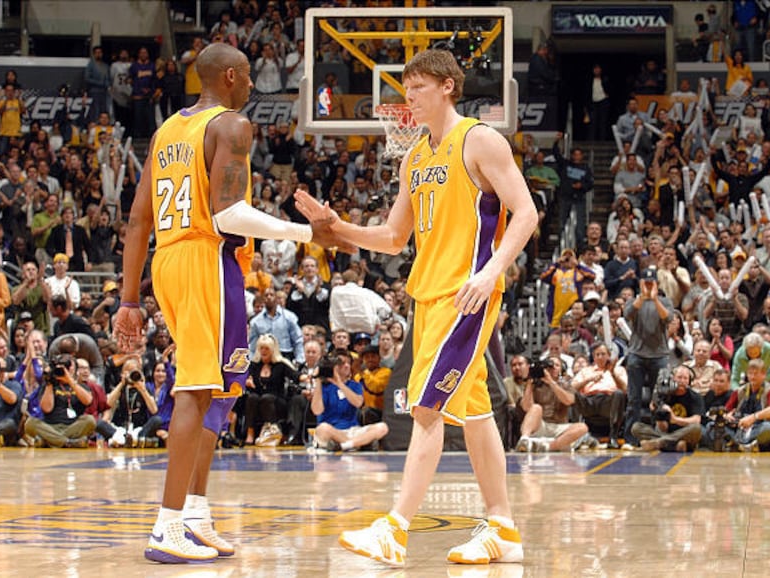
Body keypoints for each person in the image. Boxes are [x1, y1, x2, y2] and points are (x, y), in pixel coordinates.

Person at [295, 48, 538, 567]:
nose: (409, 99)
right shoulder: (415, 156)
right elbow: (391, 236)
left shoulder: (478, 140)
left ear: (448, 85)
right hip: (426, 296)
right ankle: (503, 530)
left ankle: (394, 529)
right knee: (474, 413)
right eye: (405, 91)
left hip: (466, 295)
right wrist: (336, 229)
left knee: (425, 408)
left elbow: (526, 212)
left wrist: (491, 271)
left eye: (419, 89)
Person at [113, 42, 343, 564]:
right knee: (195, 389)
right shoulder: (232, 125)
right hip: (204, 259)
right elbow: (229, 215)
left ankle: (194, 515)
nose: (249, 94)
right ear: (234, 77)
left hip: (170, 262)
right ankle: (167, 526)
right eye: (248, 84)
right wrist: (307, 232)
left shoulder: (168, 130)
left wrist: (130, 299)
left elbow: (136, 221)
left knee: (220, 389)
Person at [623, 267, 674, 448]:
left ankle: (655, 436)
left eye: (652, 282)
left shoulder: (665, 301)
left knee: (658, 399)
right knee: (633, 399)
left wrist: (654, 298)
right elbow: (627, 314)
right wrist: (643, 297)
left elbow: (668, 318)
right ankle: (630, 438)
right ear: (641, 283)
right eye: (646, 282)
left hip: (659, 355)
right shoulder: (633, 301)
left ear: (657, 284)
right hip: (637, 353)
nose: (649, 285)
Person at [516, 355, 588, 452]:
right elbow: (526, 407)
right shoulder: (536, 384)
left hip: (559, 427)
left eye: (557, 365)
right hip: (541, 425)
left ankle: (548, 447)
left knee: (582, 427)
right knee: (536, 408)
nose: (553, 367)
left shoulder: (566, 384)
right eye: (550, 365)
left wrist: (551, 382)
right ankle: (524, 440)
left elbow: (569, 401)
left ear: (561, 370)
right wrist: (529, 383)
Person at [632, 365, 704, 452]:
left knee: (696, 428)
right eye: (679, 377)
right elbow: (663, 428)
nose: (682, 381)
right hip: (666, 432)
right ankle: (674, 446)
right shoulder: (663, 394)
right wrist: (657, 412)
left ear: (689, 381)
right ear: (673, 378)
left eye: (685, 378)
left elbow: (696, 420)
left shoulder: (695, 397)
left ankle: (658, 443)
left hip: (685, 433)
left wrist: (675, 419)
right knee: (636, 428)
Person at [724, 358, 770, 451]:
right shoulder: (740, 391)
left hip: (759, 428)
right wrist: (727, 416)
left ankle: (742, 445)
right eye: (750, 373)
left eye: (756, 374)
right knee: (713, 425)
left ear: (764, 374)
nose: (752, 377)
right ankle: (742, 445)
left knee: (767, 427)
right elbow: (726, 411)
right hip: (740, 430)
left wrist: (753, 417)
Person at [0, 355, 23, 446]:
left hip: (1, 424)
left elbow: (12, 399)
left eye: (1, 369)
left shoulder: (13, 384)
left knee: (9, 425)